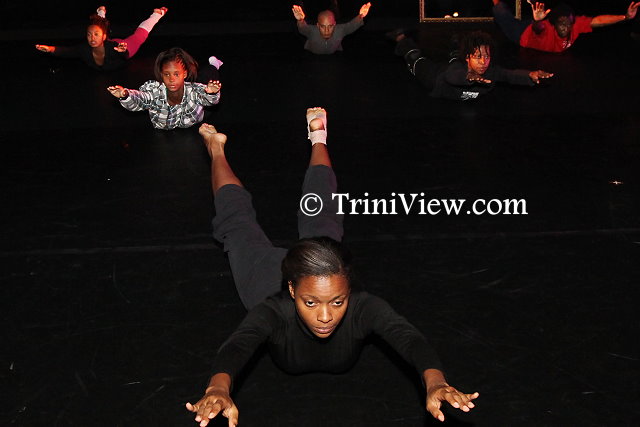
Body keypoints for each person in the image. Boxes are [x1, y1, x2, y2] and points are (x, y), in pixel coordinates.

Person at [184, 108, 480, 426]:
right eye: (311, 303)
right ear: (292, 290)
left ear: (348, 289)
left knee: (323, 209)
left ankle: (318, 137)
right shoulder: (273, 309)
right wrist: (218, 388)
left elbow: (408, 338)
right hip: (266, 278)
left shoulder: (362, 306)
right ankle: (216, 148)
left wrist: (435, 382)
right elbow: (238, 345)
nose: (325, 317)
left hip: (320, 268)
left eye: (337, 302)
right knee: (236, 224)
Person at [389, 30, 553, 101]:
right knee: (414, 58)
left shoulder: (490, 72)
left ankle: (455, 45)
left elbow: (509, 75)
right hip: (435, 77)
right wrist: (468, 77)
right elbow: (451, 76)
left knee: (455, 58)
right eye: (478, 57)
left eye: (487, 57)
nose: (483, 62)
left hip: (457, 64)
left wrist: (529, 75)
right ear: (468, 58)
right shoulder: (457, 71)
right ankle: (401, 38)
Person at [107, 47, 222, 130]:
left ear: (184, 74)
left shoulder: (194, 91)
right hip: (165, 127)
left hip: (196, 117)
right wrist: (125, 95)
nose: (171, 79)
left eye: (176, 74)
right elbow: (140, 99)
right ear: (161, 75)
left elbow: (211, 101)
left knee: (206, 79)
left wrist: (211, 92)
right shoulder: (155, 92)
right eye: (167, 74)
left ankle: (214, 65)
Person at [35, 5, 168, 71]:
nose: (92, 38)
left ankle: (157, 15)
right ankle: (101, 14)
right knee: (99, 29)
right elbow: (68, 51)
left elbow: (123, 55)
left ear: (104, 36)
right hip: (109, 44)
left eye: (96, 35)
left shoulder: (114, 48)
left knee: (139, 37)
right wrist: (50, 49)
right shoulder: (84, 49)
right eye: (89, 35)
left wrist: (123, 51)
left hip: (121, 47)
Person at [492, 0, 640, 53]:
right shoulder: (546, 27)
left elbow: (599, 20)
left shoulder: (575, 24)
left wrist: (625, 17)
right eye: (561, 24)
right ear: (553, 24)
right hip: (521, 35)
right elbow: (538, 28)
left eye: (568, 24)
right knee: (500, 11)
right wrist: (536, 21)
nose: (565, 28)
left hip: (536, 23)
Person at [292, 2, 372, 54]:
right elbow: (303, 29)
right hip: (312, 55)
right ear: (318, 25)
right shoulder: (312, 31)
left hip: (334, 57)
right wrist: (300, 20)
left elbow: (351, 26)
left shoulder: (340, 30)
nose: (326, 30)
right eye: (323, 26)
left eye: (330, 26)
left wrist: (361, 15)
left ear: (334, 24)